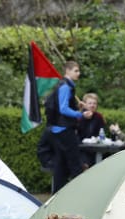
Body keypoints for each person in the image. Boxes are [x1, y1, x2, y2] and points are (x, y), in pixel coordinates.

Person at [48, 61, 92, 193]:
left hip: (58, 130)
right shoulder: (65, 87)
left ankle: (57, 193)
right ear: (67, 71)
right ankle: (81, 193)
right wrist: (81, 115)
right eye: (76, 71)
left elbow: (63, 106)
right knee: (75, 164)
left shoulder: (64, 85)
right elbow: (63, 109)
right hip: (65, 130)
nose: (78, 73)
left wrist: (76, 108)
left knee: (61, 165)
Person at [77, 93, 106, 168]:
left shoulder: (99, 116)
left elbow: (101, 132)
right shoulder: (79, 115)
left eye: (94, 103)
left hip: (95, 147)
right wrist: (83, 118)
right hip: (80, 149)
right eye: (90, 103)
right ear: (84, 104)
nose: (92, 105)